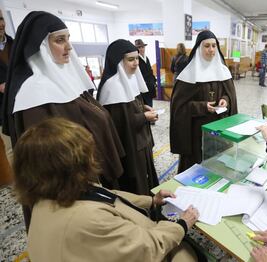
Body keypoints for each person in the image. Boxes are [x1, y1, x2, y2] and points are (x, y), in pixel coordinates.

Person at [13, 118, 200, 262]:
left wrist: (152, 200)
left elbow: (109, 196)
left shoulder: (49, 195)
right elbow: (148, 248)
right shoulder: (87, 220)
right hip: (146, 247)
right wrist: (181, 225)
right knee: (186, 253)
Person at [1, 11, 124, 226]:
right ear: (40, 46)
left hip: (89, 180)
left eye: (68, 39)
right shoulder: (34, 94)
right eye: (59, 40)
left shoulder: (67, 78)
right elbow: (49, 167)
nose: (68, 47)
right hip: (69, 197)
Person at [97, 39, 159, 196]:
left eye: (137, 58)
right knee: (136, 184)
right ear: (118, 61)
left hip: (141, 143)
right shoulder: (112, 86)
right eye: (130, 59)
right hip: (129, 148)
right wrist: (144, 117)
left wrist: (142, 107)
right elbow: (118, 124)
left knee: (147, 179)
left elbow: (130, 108)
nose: (136, 63)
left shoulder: (130, 79)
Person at [170, 30, 238, 173]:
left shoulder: (223, 71)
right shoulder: (188, 75)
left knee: (218, 165)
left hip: (219, 128)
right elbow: (178, 108)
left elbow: (229, 95)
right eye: (207, 46)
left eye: (214, 46)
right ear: (199, 48)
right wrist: (202, 107)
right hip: (196, 131)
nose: (211, 50)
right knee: (197, 168)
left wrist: (225, 100)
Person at [0, 8, 13, 186]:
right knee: (11, 150)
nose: (0, 24)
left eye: (1, 18)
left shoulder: (16, 44)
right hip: (1, 112)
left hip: (22, 106)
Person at [135, 39, 157, 107]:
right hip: (142, 87)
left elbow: (150, 70)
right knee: (144, 106)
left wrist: (154, 81)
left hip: (150, 86)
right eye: (139, 47)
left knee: (150, 104)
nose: (141, 49)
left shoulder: (146, 58)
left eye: (142, 47)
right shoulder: (136, 59)